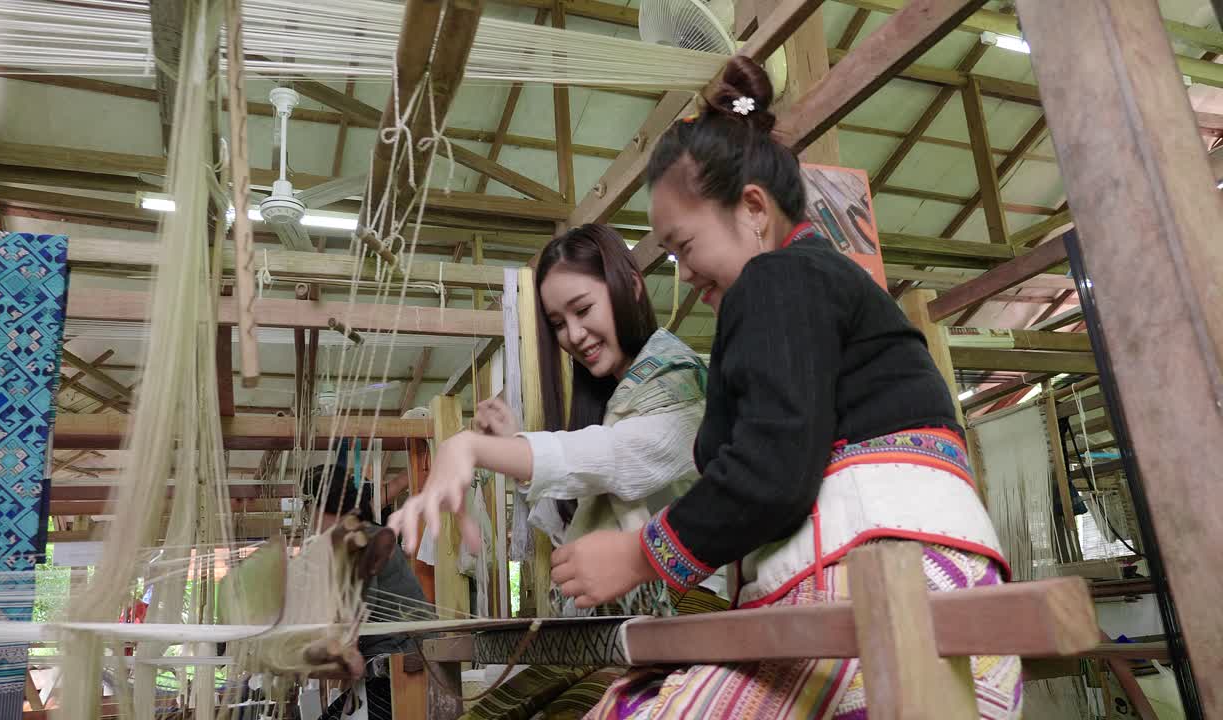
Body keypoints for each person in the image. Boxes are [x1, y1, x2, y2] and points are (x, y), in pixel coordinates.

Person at [547, 57, 1021, 719]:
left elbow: (771, 469)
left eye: (683, 246)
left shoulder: (774, 281)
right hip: (949, 607)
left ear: (752, 209)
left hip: (888, 594)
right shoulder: (818, 285)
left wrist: (640, 553)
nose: (683, 275)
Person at [388, 224, 727, 718]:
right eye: (557, 323)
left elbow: (620, 457)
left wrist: (476, 448)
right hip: (625, 621)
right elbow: (576, 517)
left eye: (583, 309)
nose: (573, 335)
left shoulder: (675, 378)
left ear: (630, 285)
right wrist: (508, 444)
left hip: (689, 612)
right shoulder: (613, 393)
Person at [304, 463, 434, 720]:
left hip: (404, 668)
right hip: (388, 667)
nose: (308, 518)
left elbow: (350, 633)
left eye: (309, 507)